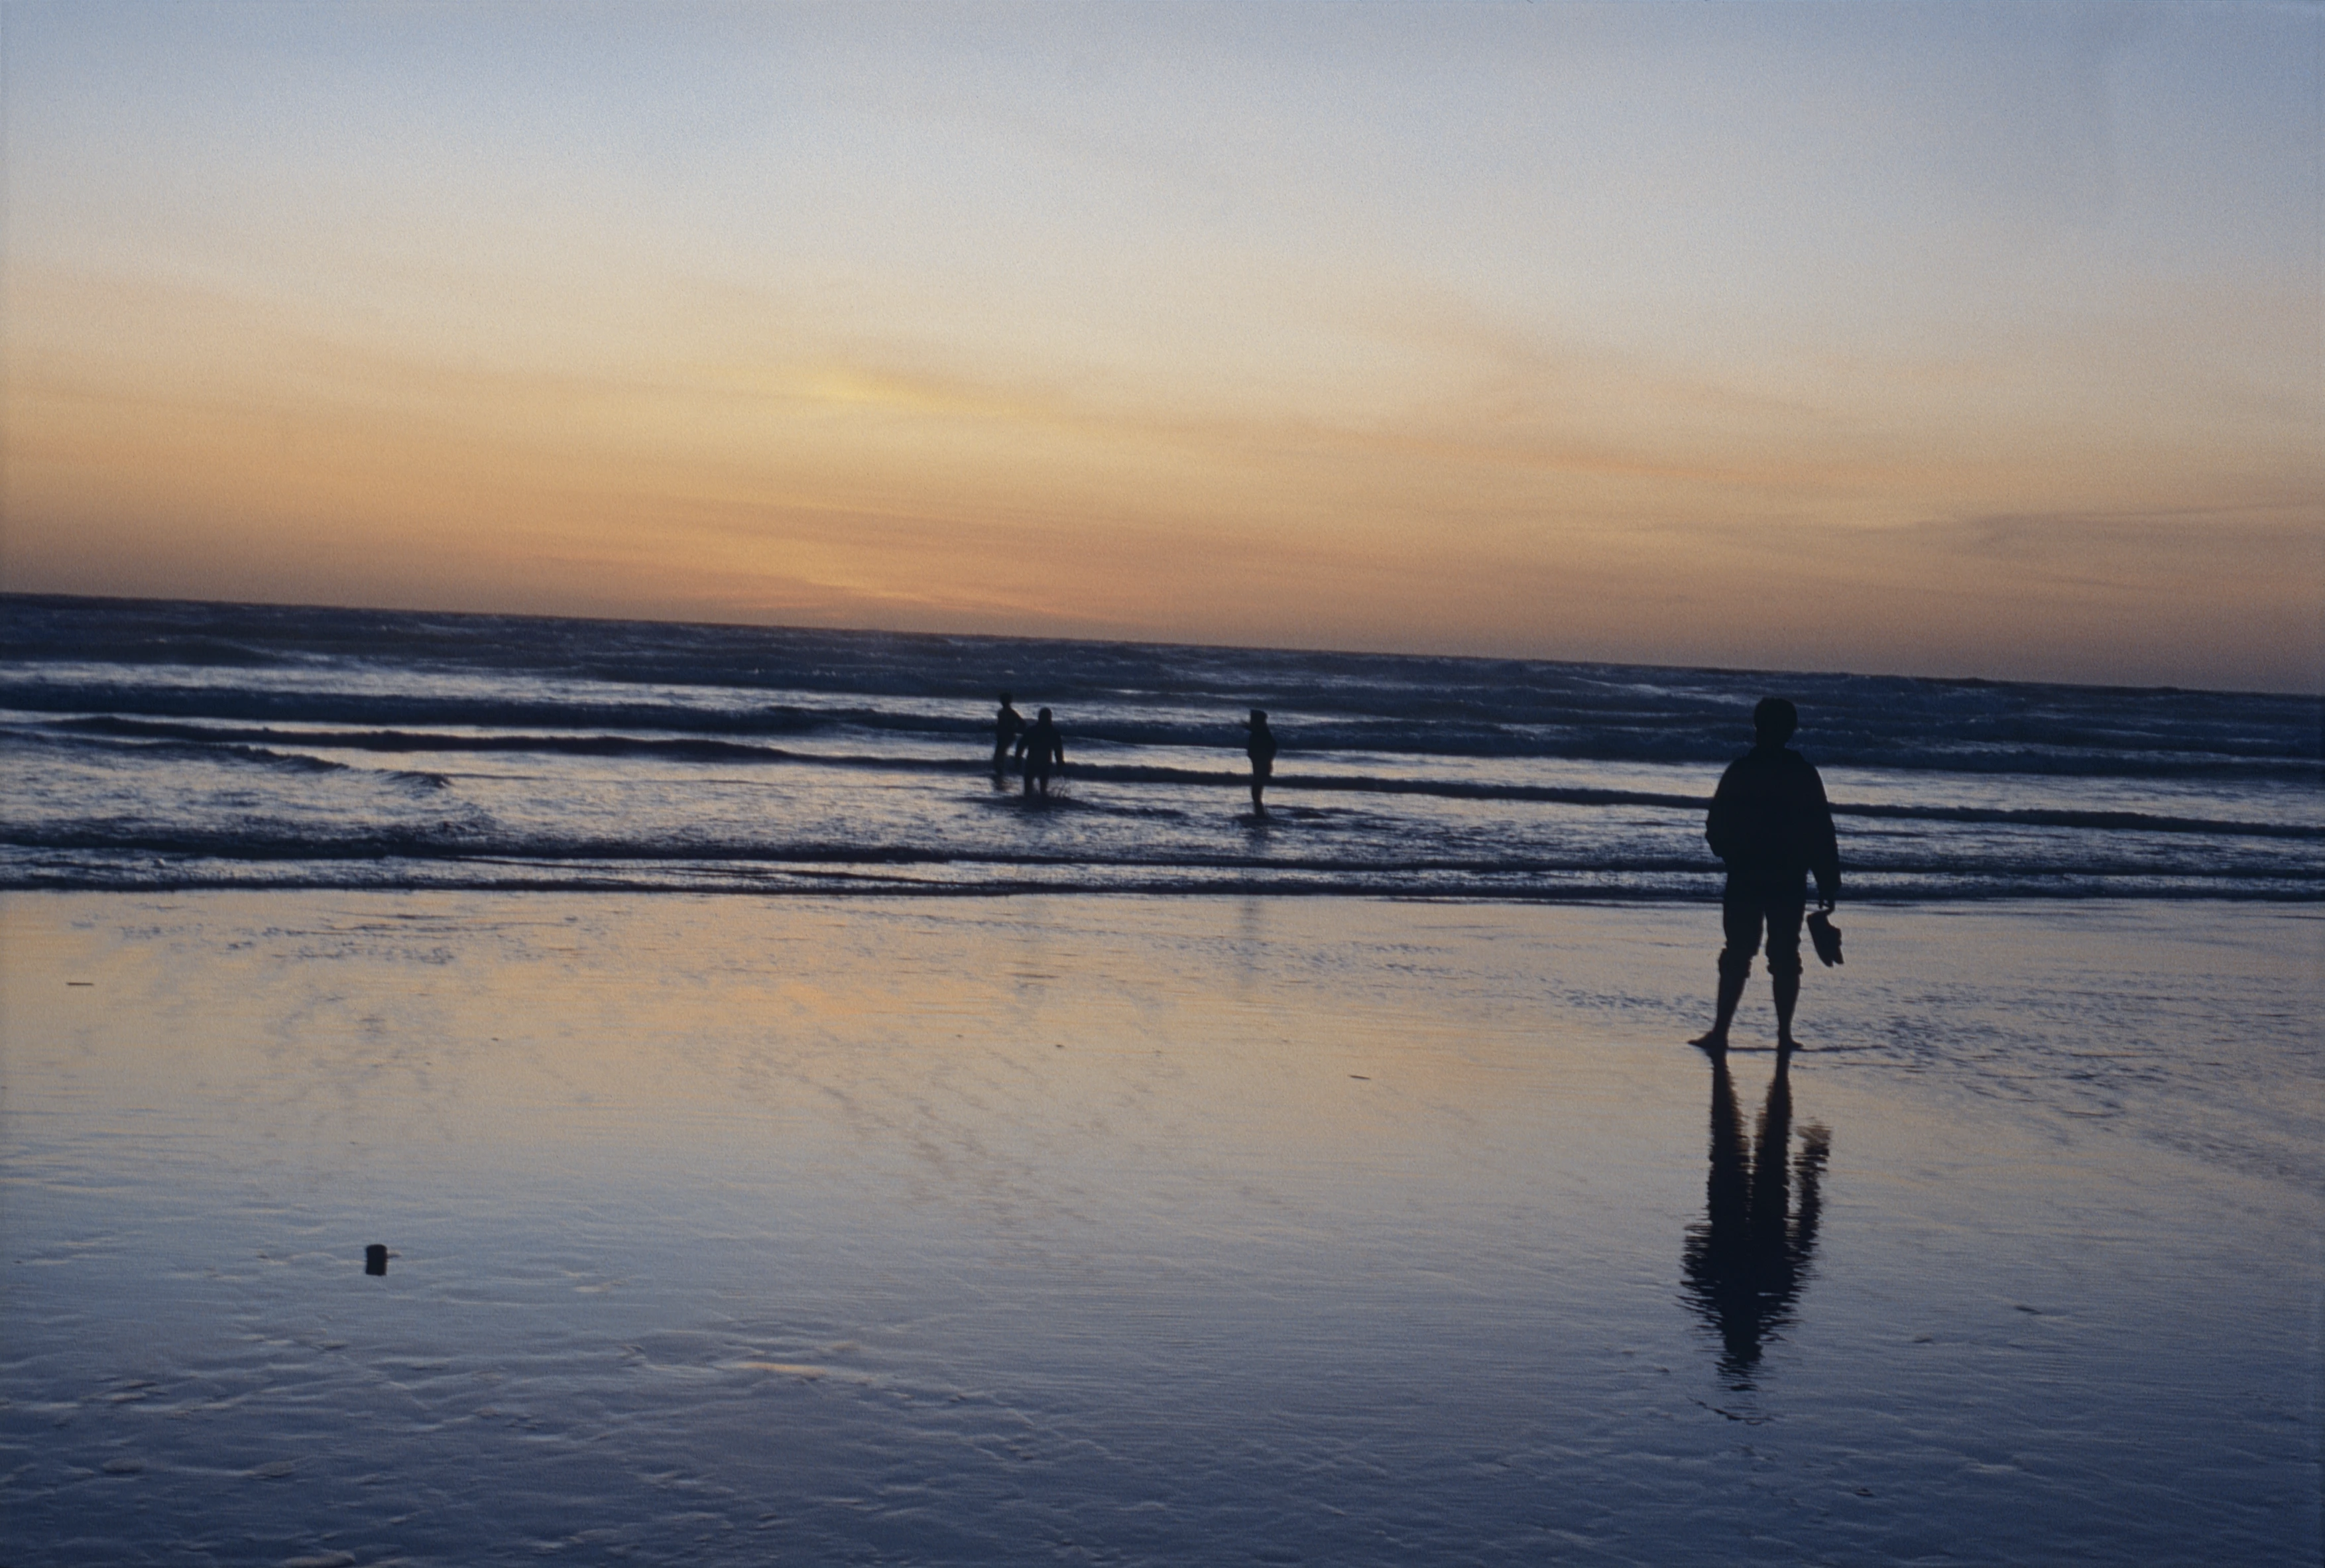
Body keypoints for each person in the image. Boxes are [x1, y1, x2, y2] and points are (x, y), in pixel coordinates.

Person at [1691, 697, 1839, 1053]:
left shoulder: (1742, 771)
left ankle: (1721, 1033)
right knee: (1784, 955)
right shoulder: (1802, 775)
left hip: (1747, 875)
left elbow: (1715, 826)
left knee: (1739, 953)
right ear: (1791, 731)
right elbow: (1821, 831)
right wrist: (1828, 879)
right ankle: (1783, 1036)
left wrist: (1731, 854)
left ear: (1757, 727)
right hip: (1788, 876)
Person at [1020, 707, 1064, 798]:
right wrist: (1059, 763)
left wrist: (1017, 758)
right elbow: (1058, 750)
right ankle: (1039, 801)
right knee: (1039, 788)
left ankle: (1030, 800)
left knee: (1032, 787)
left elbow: (1021, 745)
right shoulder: (1053, 732)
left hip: (1035, 761)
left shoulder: (1032, 730)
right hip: (1042, 761)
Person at [1244, 709, 1278, 817]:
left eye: (1253, 719)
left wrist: (1267, 761)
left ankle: (1260, 814)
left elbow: (1272, 747)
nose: (1251, 721)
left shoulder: (1262, 733)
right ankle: (1260, 813)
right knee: (1256, 792)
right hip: (1261, 765)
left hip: (1262, 766)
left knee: (1256, 792)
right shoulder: (1261, 732)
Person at [990, 692, 1025, 782]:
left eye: (1003, 700)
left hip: (1008, 736)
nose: (1002, 702)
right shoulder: (1001, 712)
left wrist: (1013, 729)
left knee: (999, 755)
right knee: (999, 755)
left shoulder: (1011, 713)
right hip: (1002, 736)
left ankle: (1001, 773)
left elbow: (1022, 723)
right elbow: (1000, 725)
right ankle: (1001, 773)